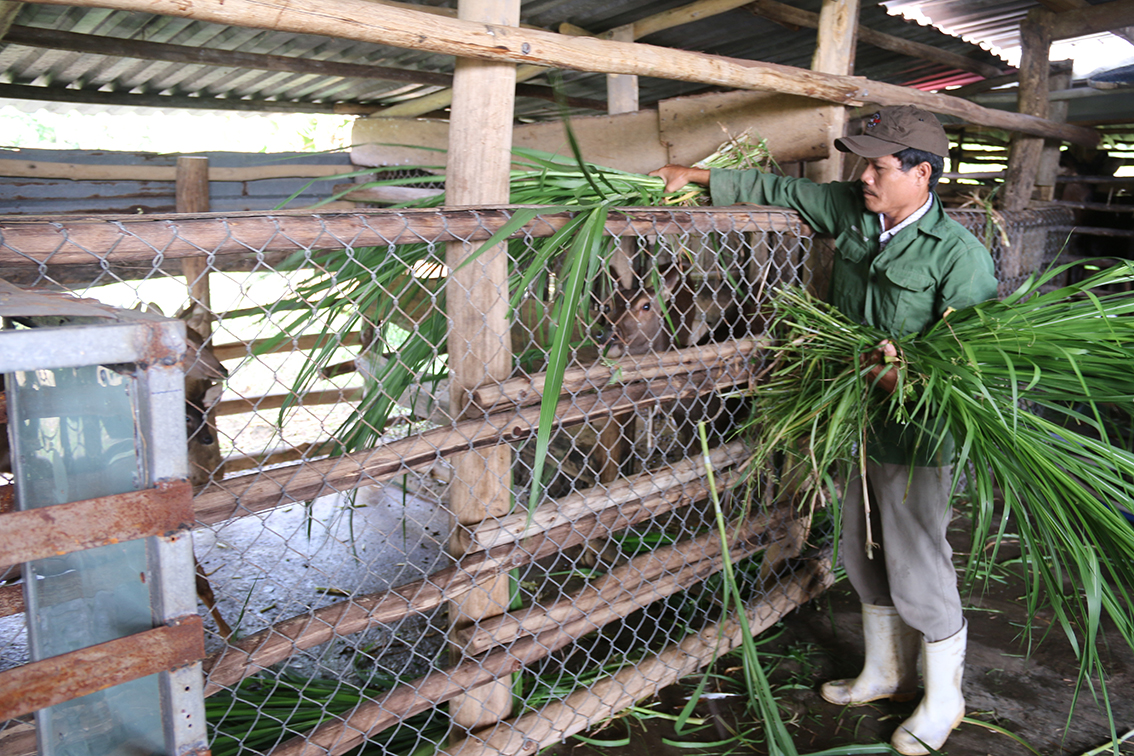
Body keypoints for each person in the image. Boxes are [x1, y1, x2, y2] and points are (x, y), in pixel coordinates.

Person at [651, 105, 998, 756]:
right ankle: (884, 672)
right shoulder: (855, 210)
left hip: (913, 435)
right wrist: (696, 176)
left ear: (921, 175)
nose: (864, 175)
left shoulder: (959, 257)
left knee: (917, 560)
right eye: (864, 162)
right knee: (861, 549)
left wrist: (907, 382)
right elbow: (785, 191)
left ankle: (944, 698)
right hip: (852, 419)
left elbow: (976, 366)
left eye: (880, 165)